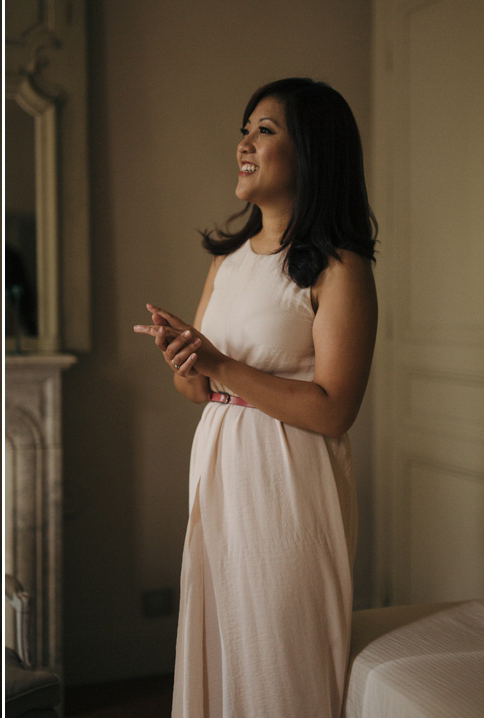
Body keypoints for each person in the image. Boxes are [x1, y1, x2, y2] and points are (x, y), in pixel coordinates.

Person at [134, 78, 378, 717]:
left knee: (279, 658)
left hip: (288, 482)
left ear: (312, 153)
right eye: (245, 129)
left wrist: (219, 362)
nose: (244, 143)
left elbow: (333, 408)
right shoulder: (229, 263)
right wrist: (183, 357)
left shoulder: (338, 267)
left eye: (265, 131)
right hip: (219, 474)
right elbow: (198, 391)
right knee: (221, 643)